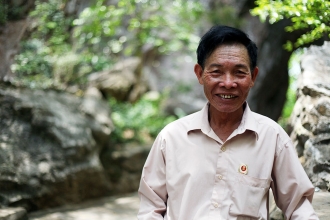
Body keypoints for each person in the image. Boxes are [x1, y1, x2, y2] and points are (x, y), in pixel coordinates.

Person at [137, 25, 318, 219]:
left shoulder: (271, 136)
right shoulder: (171, 137)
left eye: (239, 73)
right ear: (199, 74)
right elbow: (151, 208)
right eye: (216, 72)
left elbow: (299, 205)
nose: (228, 83)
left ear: (253, 77)